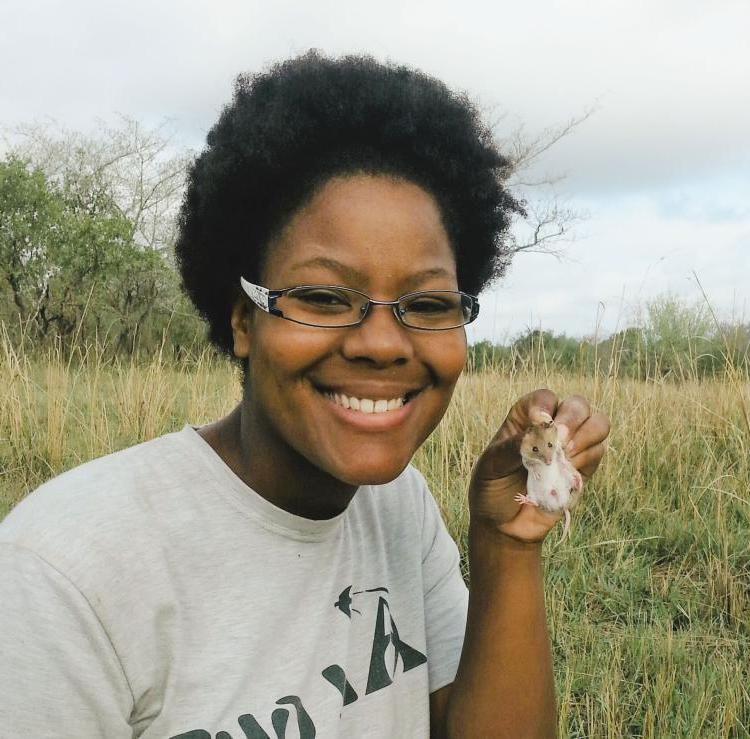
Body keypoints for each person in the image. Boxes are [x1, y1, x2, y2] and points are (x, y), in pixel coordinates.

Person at [0, 50, 610, 738]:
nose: (383, 342)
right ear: (241, 320)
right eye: (322, 296)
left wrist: (506, 544)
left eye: (429, 302)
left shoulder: (397, 507)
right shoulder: (63, 575)